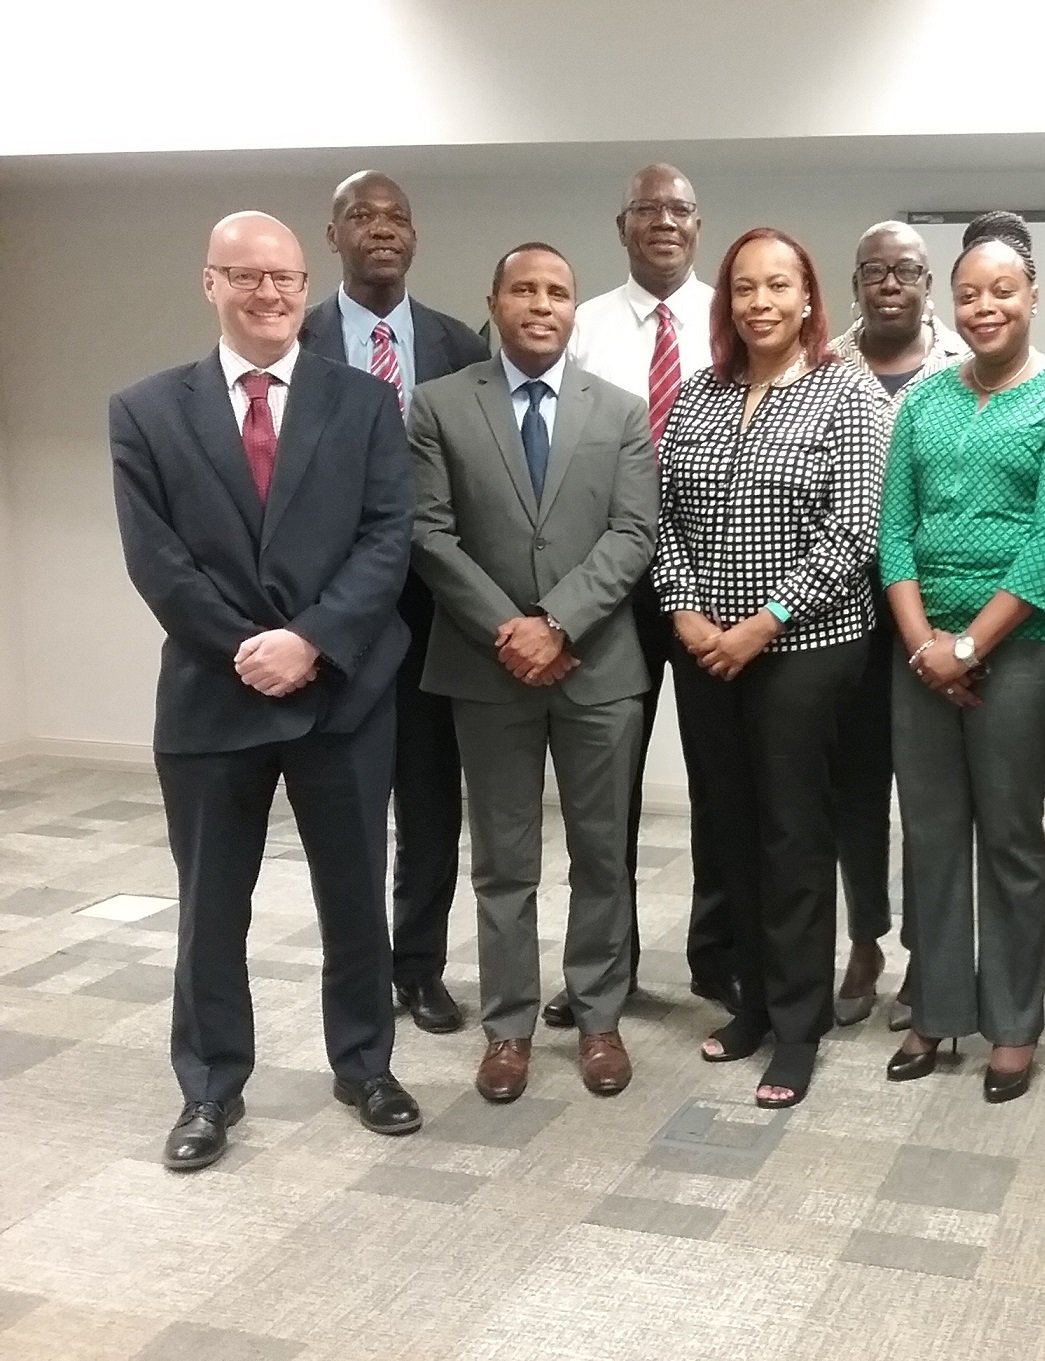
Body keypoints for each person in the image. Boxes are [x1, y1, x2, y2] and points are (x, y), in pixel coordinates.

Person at [110, 211, 423, 1170]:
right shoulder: (146, 409)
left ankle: (364, 1062)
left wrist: (312, 642)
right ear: (210, 283)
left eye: (285, 278)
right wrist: (252, 649)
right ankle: (209, 1087)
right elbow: (156, 562)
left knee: (353, 890)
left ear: (304, 283)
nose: (270, 294)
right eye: (246, 277)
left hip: (342, 696)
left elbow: (386, 541)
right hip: (214, 696)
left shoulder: (364, 403)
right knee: (212, 905)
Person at [410, 243, 657, 1102]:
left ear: (572, 308)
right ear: (495, 301)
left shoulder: (621, 411)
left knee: (601, 856)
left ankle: (597, 1019)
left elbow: (633, 533)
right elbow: (430, 534)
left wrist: (556, 623)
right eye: (524, 289)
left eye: (557, 292)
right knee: (503, 862)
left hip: (598, 666)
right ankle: (507, 1027)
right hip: (487, 671)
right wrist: (509, 631)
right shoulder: (437, 405)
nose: (541, 304)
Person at [654, 227, 888, 1109]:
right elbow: (663, 513)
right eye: (743, 287)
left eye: (777, 286)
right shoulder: (701, 392)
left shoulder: (846, 392)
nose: (759, 302)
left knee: (793, 836)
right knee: (730, 831)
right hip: (704, 650)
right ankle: (750, 1003)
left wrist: (759, 623)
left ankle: (798, 1027)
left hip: (804, 649)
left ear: (806, 298)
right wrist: (684, 610)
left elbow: (852, 533)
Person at [880, 212, 1045, 1104]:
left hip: (1025, 647)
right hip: (920, 644)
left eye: (1002, 291)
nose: (984, 307)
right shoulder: (922, 399)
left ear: (1033, 297)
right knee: (931, 833)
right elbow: (893, 532)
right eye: (968, 293)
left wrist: (971, 643)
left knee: (1007, 833)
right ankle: (936, 1008)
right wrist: (922, 644)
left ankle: (1012, 1022)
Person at [297, 170, 489, 1036]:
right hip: (337, 617)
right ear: (331, 235)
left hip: (434, 614)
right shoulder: (296, 342)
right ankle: (361, 971)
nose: (382, 228)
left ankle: (421, 965)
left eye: (397, 217)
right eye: (361, 216)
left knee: (430, 801)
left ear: (414, 238)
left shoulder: (458, 344)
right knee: (347, 805)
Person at [549, 163, 732, 1027]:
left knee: (717, 778)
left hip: (708, 584)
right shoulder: (580, 328)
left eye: (681, 209)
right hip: (607, 586)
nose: (666, 221)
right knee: (603, 790)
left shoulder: (732, 324)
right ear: (621, 224)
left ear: (699, 226)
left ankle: (716, 960)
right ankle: (601, 967)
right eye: (649, 209)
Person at [828, 220, 968, 1030]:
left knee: (927, 797)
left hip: (930, 612)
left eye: (906, 270)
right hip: (842, 612)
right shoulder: (825, 361)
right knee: (851, 794)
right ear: (855, 282)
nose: (888, 283)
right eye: (873, 269)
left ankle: (924, 947)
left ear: (927, 283)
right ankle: (864, 938)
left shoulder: (964, 363)